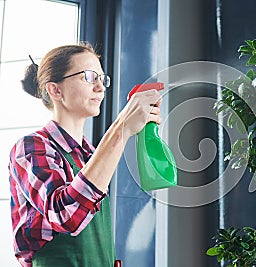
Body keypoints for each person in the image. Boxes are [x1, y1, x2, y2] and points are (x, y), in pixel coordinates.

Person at [8, 42, 162, 267]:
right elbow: (65, 215)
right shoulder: (31, 148)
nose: (100, 87)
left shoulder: (91, 154)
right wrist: (122, 128)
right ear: (55, 90)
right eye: (89, 77)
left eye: (102, 79)